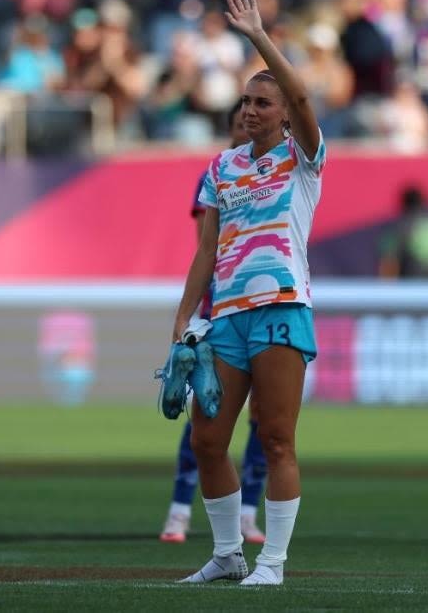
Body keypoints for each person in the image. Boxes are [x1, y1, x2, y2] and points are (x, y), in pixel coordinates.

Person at [173, 0, 325, 586]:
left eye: (264, 102)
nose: (252, 110)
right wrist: (185, 318)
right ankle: (228, 553)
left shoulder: (303, 159)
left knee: (276, 436)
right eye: (247, 101)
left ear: (286, 111)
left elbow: (307, 94)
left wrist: (260, 37)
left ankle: (273, 562)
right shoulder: (221, 168)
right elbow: (205, 252)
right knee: (208, 438)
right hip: (228, 317)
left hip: (283, 309)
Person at [159, 102, 267, 546]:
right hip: (220, 309)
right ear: (229, 130)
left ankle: (247, 512)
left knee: (265, 416)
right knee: (205, 411)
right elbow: (208, 245)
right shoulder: (218, 174)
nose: (249, 123)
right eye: (241, 119)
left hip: (265, 307)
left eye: (257, 114)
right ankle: (181, 510)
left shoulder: (279, 175)